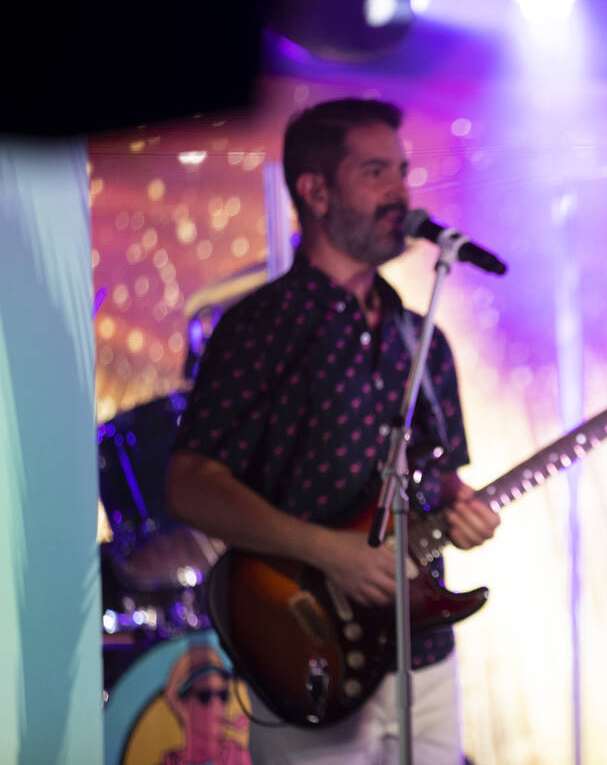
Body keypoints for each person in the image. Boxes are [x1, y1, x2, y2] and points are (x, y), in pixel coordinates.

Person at [167, 98, 500, 765]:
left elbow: (438, 478)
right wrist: (329, 550)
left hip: (423, 653)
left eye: (402, 171)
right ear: (315, 191)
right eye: (375, 172)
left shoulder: (420, 335)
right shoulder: (260, 326)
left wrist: (462, 512)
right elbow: (190, 486)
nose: (400, 192)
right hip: (304, 641)